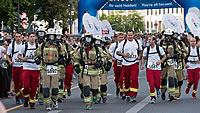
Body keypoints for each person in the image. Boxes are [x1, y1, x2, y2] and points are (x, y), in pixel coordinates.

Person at [35, 28, 66, 111]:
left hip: (55, 68)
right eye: (50, 36)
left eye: (53, 36)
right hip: (45, 68)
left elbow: (64, 54)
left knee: (55, 88)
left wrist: (62, 59)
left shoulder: (59, 46)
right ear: (47, 37)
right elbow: (37, 54)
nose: (51, 38)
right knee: (45, 87)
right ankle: (47, 104)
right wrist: (37, 59)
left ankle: (54, 100)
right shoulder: (43, 46)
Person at [73, 33, 106, 110]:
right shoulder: (81, 50)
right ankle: (88, 103)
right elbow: (76, 59)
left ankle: (95, 95)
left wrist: (100, 62)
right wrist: (76, 66)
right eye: (86, 39)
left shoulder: (98, 49)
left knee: (95, 89)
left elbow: (104, 58)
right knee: (86, 88)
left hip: (95, 71)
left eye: (89, 39)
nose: (87, 41)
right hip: (85, 71)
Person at [117, 30, 142, 102]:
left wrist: (139, 56)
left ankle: (133, 95)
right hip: (125, 64)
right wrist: (123, 54)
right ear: (126, 36)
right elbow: (118, 52)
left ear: (134, 35)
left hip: (134, 63)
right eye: (129, 35)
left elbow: (140, 50)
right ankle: (127, 94)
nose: (130, 37)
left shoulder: (137, 42)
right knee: (126, 80)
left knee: (134, 78)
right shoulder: (123, 43)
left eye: (131, 35)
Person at [18, 32, 40, 109]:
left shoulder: (38, 46)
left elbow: (42, 55)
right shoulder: (24, 46)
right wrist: (23, 59)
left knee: (34, 87)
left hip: (36, 68)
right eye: (31, 36)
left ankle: (32, 101)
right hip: (26, 67)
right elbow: (19, 55)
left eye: (33, 36)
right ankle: (26, 99)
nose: (32, 38)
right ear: (28, 37)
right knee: (26, 86)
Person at [141, 36, 166, 104]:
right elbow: (143, 58)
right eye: (148, 40)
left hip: (157, 69)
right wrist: (142, 65)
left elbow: (164, 56)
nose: (148, 41)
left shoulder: (159, 48)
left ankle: (157, 90)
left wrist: (160, 61)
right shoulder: (146, 49)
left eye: (150, 40)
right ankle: (152, 97)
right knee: (151, 83)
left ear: (154, 41)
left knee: (157, 84)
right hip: (149, 69)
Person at [6, 32, 24, 104]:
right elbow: (7, 55)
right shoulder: (11, 45)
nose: (18, 38)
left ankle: (23, 96)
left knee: (22, 82)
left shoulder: (24, 45)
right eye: (17, 37)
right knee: (16, 83)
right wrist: (10, 62)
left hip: (22, 66)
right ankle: (17, 97)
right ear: (15, 37)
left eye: (19, 36)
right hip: (15, 66)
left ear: (21, 37)